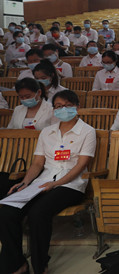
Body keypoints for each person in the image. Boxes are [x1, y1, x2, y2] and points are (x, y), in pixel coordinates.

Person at [0, 90, 96, 274]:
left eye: (68, 106)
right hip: (42, 181)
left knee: (38, 213)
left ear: (77, 107)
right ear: (54, 109)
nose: (63, 110)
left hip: (70, 185)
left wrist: (56, 184)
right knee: (7, 213)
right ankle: (17, 264)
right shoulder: (47, 131)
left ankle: (40, 265)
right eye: (58, 106)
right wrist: (25, 183)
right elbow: (38, 163)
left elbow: (81, 165)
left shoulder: (87, 131)